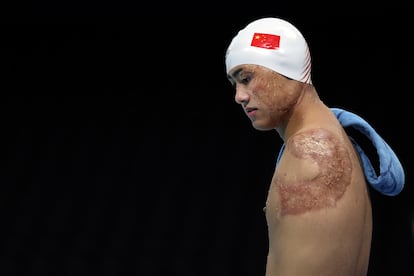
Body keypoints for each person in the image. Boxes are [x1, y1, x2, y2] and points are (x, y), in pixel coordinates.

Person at [224, 17, 405, 276]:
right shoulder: (329, 138)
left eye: (247, 78)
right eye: (235, 84)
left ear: (289, 70)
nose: (239, 96)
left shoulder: (312, 155)